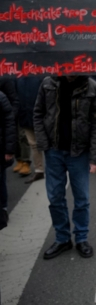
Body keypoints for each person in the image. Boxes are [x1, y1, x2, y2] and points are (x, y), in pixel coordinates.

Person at [33, 75, 96, 259]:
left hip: (79, 152)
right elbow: (38, 112)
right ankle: (62, 238)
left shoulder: (92, 87)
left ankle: (81, 238)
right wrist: (43, 144)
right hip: (54, 150)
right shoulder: (48, 83)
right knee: (55, 197)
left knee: (82, 198)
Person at [16, 77, 45, 183]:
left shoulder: (41, 77)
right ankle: (39, 170)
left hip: (40, 116)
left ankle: (47, 170)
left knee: (46, 144)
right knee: (33, 144)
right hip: (26, 115)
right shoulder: (18, 79)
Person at [0, 91, 17, 229]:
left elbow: (9, 122)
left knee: (1, 181)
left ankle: (3, 209)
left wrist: (9, 149)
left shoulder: (1, 97)